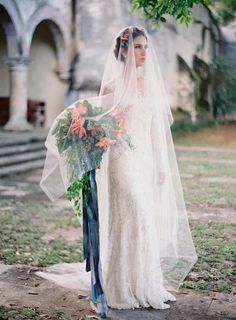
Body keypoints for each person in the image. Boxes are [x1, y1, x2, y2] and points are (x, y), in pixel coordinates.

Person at [40, 26, 198, 316]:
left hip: (144, 160)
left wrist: (161, 166)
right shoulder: (112, 86)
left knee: (145, 220)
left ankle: (144, 283)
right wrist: (82, 130)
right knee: (134, 215)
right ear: (124, 50)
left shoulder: (148, 85)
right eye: (138, 47)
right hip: (120, 161)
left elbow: (154, 130)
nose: (143, 53)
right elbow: (100, 122)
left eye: (145, 47)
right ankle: (119, 286)